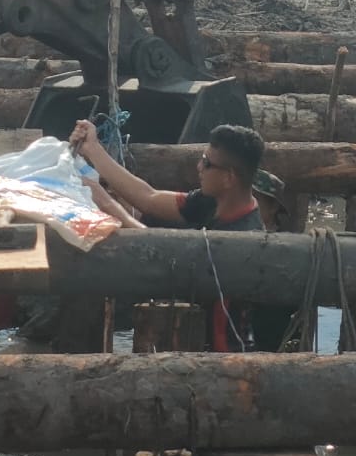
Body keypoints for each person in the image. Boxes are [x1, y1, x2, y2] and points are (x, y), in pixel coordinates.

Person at [68, 119, 269, 350]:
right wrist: (92, 149)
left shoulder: (241, 239)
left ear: (229, 178)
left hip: (219, 359)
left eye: (207, 163)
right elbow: (149, 198)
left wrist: (107, 203)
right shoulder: (213, 201)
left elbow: (161, 259)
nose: (199, 167)